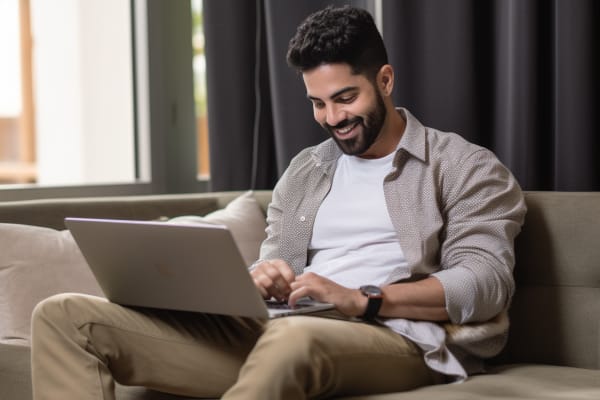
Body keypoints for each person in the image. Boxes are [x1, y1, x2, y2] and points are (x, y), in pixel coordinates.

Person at [30, 5, 527, 400]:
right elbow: (278, 259)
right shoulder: (307, 170)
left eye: (345, 98)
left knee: (292, 340)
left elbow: (483, 282)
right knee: (64, 315)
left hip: (396, 339)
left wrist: (364, 298)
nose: (333, 118)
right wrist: (261, 276)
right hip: (283, 332)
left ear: (385, 80)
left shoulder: (464, 165)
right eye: (317, 102)